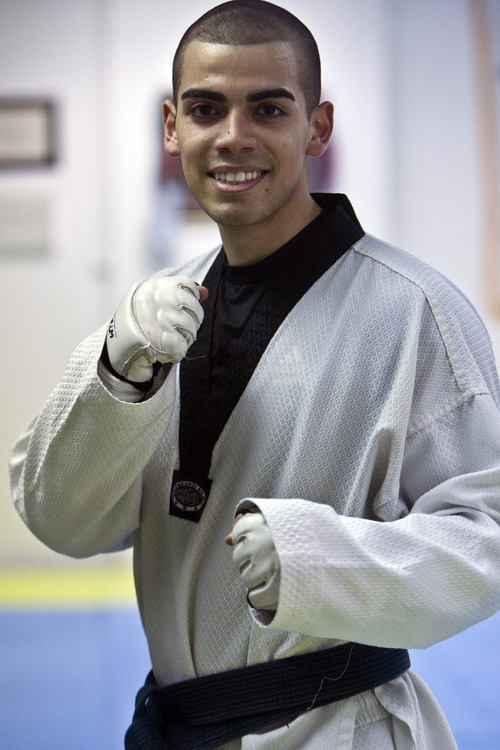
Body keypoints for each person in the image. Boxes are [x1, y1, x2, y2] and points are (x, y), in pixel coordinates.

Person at [9, 1, 500, 748]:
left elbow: (487, 542)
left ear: (317, 127)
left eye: (267, 108)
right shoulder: (156, 317)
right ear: (173, 128)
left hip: (340, 727)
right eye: (207, 108)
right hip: (179, 727)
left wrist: (319, 561)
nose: (233, 136)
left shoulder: (416, 312)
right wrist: (114, 374)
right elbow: (61, 520)